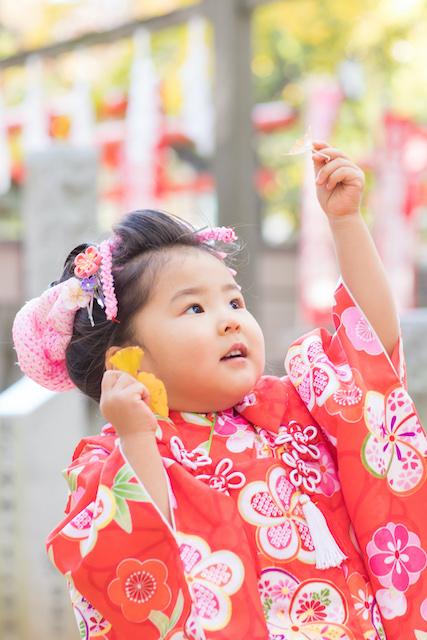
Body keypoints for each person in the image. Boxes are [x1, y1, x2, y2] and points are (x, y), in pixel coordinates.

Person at [12, 142, 427, 640]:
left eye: (233, 300)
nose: (230, 320)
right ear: (126, 357)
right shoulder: (113, 457)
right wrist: (136, 438)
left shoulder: (289, 407)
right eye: (194, 309)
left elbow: (369, 352)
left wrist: (345, 222)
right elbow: (142, 553)